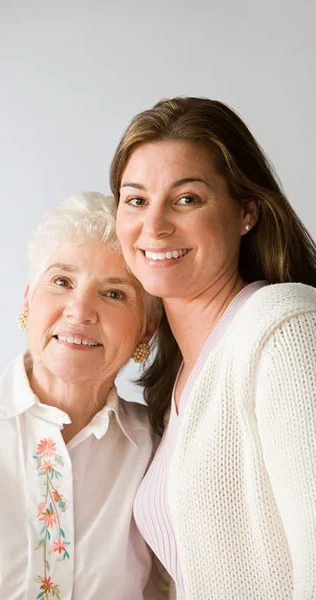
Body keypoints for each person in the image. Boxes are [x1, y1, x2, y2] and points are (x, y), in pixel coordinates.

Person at [0, 191, 170, 600]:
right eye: (62, 282)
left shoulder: (159, 449)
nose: (79, 310)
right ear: (27, 300)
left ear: (147, 329)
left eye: (114, 293)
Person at [111, 97, 316, 599]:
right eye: (136, 200)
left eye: (186, 200)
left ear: (246, 212)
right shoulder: (176, 383)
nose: (153, 226)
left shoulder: (284, 328)